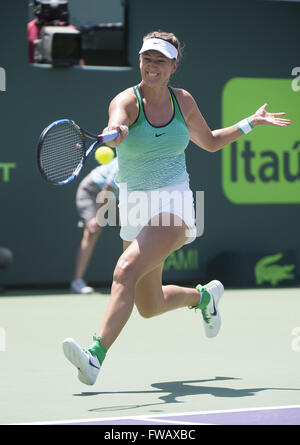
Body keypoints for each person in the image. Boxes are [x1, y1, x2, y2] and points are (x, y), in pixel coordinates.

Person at [62, 31, 291, 385]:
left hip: (175, 203)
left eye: (160, 61)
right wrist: (116, 132)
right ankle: (204, 297)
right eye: (146, 59)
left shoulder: (183, 101)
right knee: (149, 306)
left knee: (124, 270)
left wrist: (250, 123)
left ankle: (95, 356)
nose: (151, 67)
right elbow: (117, 122)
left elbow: (211, 142)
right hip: (136, 206)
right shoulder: (126, 100)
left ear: (173, 66)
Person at [70, 157, 119, 294]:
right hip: (92, 191)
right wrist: (98, 217)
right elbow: (106, 190)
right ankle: (77, 282)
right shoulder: (123, 164)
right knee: (93, 231)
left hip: (114, 197)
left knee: (136, 230)